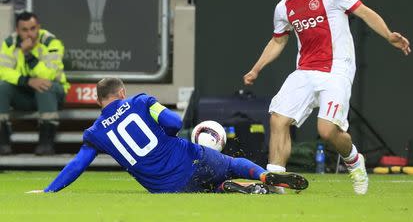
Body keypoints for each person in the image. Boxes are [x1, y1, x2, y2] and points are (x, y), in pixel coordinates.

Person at [243, 0, 411, 195]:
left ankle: (354, 160)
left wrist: (389, 35)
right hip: (305, 71)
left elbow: (364, 12)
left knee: (327, 130)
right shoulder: (283, 7)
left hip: (336, 70)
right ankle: (276, 180)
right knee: (278, 118)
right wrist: (256, 69)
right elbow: (278, 40)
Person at [28, 78, 308, 194]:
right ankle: (262, 177)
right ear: (122, 92)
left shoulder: (95, 132)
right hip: (191, 156)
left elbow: (77, 165)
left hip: (167, 187)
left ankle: (234, 189)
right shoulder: (142, 101)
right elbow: (174, 121)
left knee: (206, 190)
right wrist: (167, 134)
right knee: (232, 163)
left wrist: (49, 190)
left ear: (99, 101)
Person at [0, 12, 70, 155]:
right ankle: (3, 143)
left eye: (33, 28)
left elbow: (48, 75)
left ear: (39, 27)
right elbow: (3, 71)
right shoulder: (9, 43)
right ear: (17, 30)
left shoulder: (52, 42)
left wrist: (28, 55)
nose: (30, 34)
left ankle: (46, 144)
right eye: (24, 30)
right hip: (24, 93)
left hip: (53, 95)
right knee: (2, 87)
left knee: (45, 86)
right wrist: (27, 81)